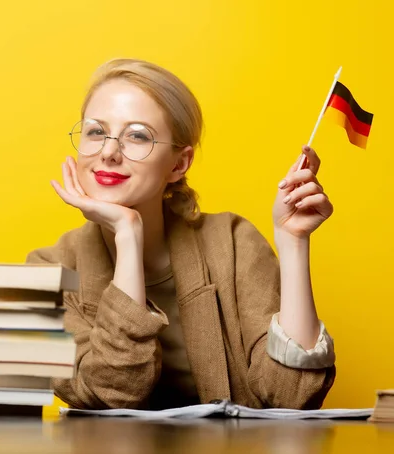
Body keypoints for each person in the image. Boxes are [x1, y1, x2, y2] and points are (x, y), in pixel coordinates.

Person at [26, 58, 336, 410]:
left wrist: (293, 241)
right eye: (96, 131)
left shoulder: (235, 243)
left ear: (179, 164)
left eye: (138, 136)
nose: (109, 152)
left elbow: (292, 395)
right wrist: (127, 235)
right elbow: (109, 393)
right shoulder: (50, 271)